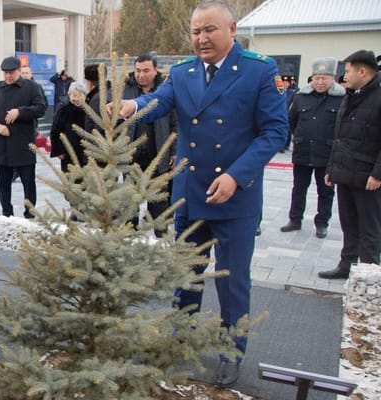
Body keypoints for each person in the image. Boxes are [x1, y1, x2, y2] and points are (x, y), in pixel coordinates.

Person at [117, 1, 287, 387]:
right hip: (192, 193)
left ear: (231, 29)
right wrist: (131, 106)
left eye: (209, 29)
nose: (201, 38)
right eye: (195, 31)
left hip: (235, 198)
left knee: (232, 281)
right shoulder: (183, 72)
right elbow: (157, 101)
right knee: (185, 275)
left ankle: (232, 350)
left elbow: (275, 132)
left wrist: (236, 176)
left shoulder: (259, 70)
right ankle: (179, 340)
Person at [319, 50, 381, 280]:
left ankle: (368, 274)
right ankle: (346, 265)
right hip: (345, 173)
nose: (344, 76)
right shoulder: (351, 95)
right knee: (349, 224)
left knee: (370, 228)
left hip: (368, 178)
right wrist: (331, 169)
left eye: (347, 71)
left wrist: (378, 174)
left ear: (362, 71)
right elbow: (340, 136)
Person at [280, 57, 344, 239]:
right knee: (299, 188)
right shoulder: (301, 97)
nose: (320, 82)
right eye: (317, 77)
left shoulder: (341, 99)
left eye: (324, 78)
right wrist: (300, 136)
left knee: (325, 191)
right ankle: (295, 219)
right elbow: (291, 121)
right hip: (303, 151)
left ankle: (322, 223)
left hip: (327, 153)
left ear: (332, 78)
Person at [0, 56, 47, 219]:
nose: (8, 76)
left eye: (11, 73)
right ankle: (6, 213)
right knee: (4, 184)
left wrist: (20, 112)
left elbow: (41, 108)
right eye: (5, 73)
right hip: (3, 145)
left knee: (28, 183)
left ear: (18, 71)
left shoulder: (31, 87)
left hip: (24, 144)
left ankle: (30, 214)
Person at [123, 54, 177, 238]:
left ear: (155, 71)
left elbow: (176, 123)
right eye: (138, 70)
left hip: (158, 155)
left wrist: (174, 150)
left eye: (146, 70)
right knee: (129, 202)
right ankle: (129, 237)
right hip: (132, 157)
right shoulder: (126, 91)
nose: (141, 75)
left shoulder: (166, 92)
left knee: (159, 202)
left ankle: (162, 239)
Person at [50, 81, 89, 172]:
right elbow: (55, 130)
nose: (76, 98)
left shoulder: (88, 110)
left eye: (79, 95)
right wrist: (58, 151)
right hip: (68, 151)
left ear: (85, 96)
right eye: (73, 95)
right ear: (69, 95)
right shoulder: (64, 110)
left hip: (86, 152)